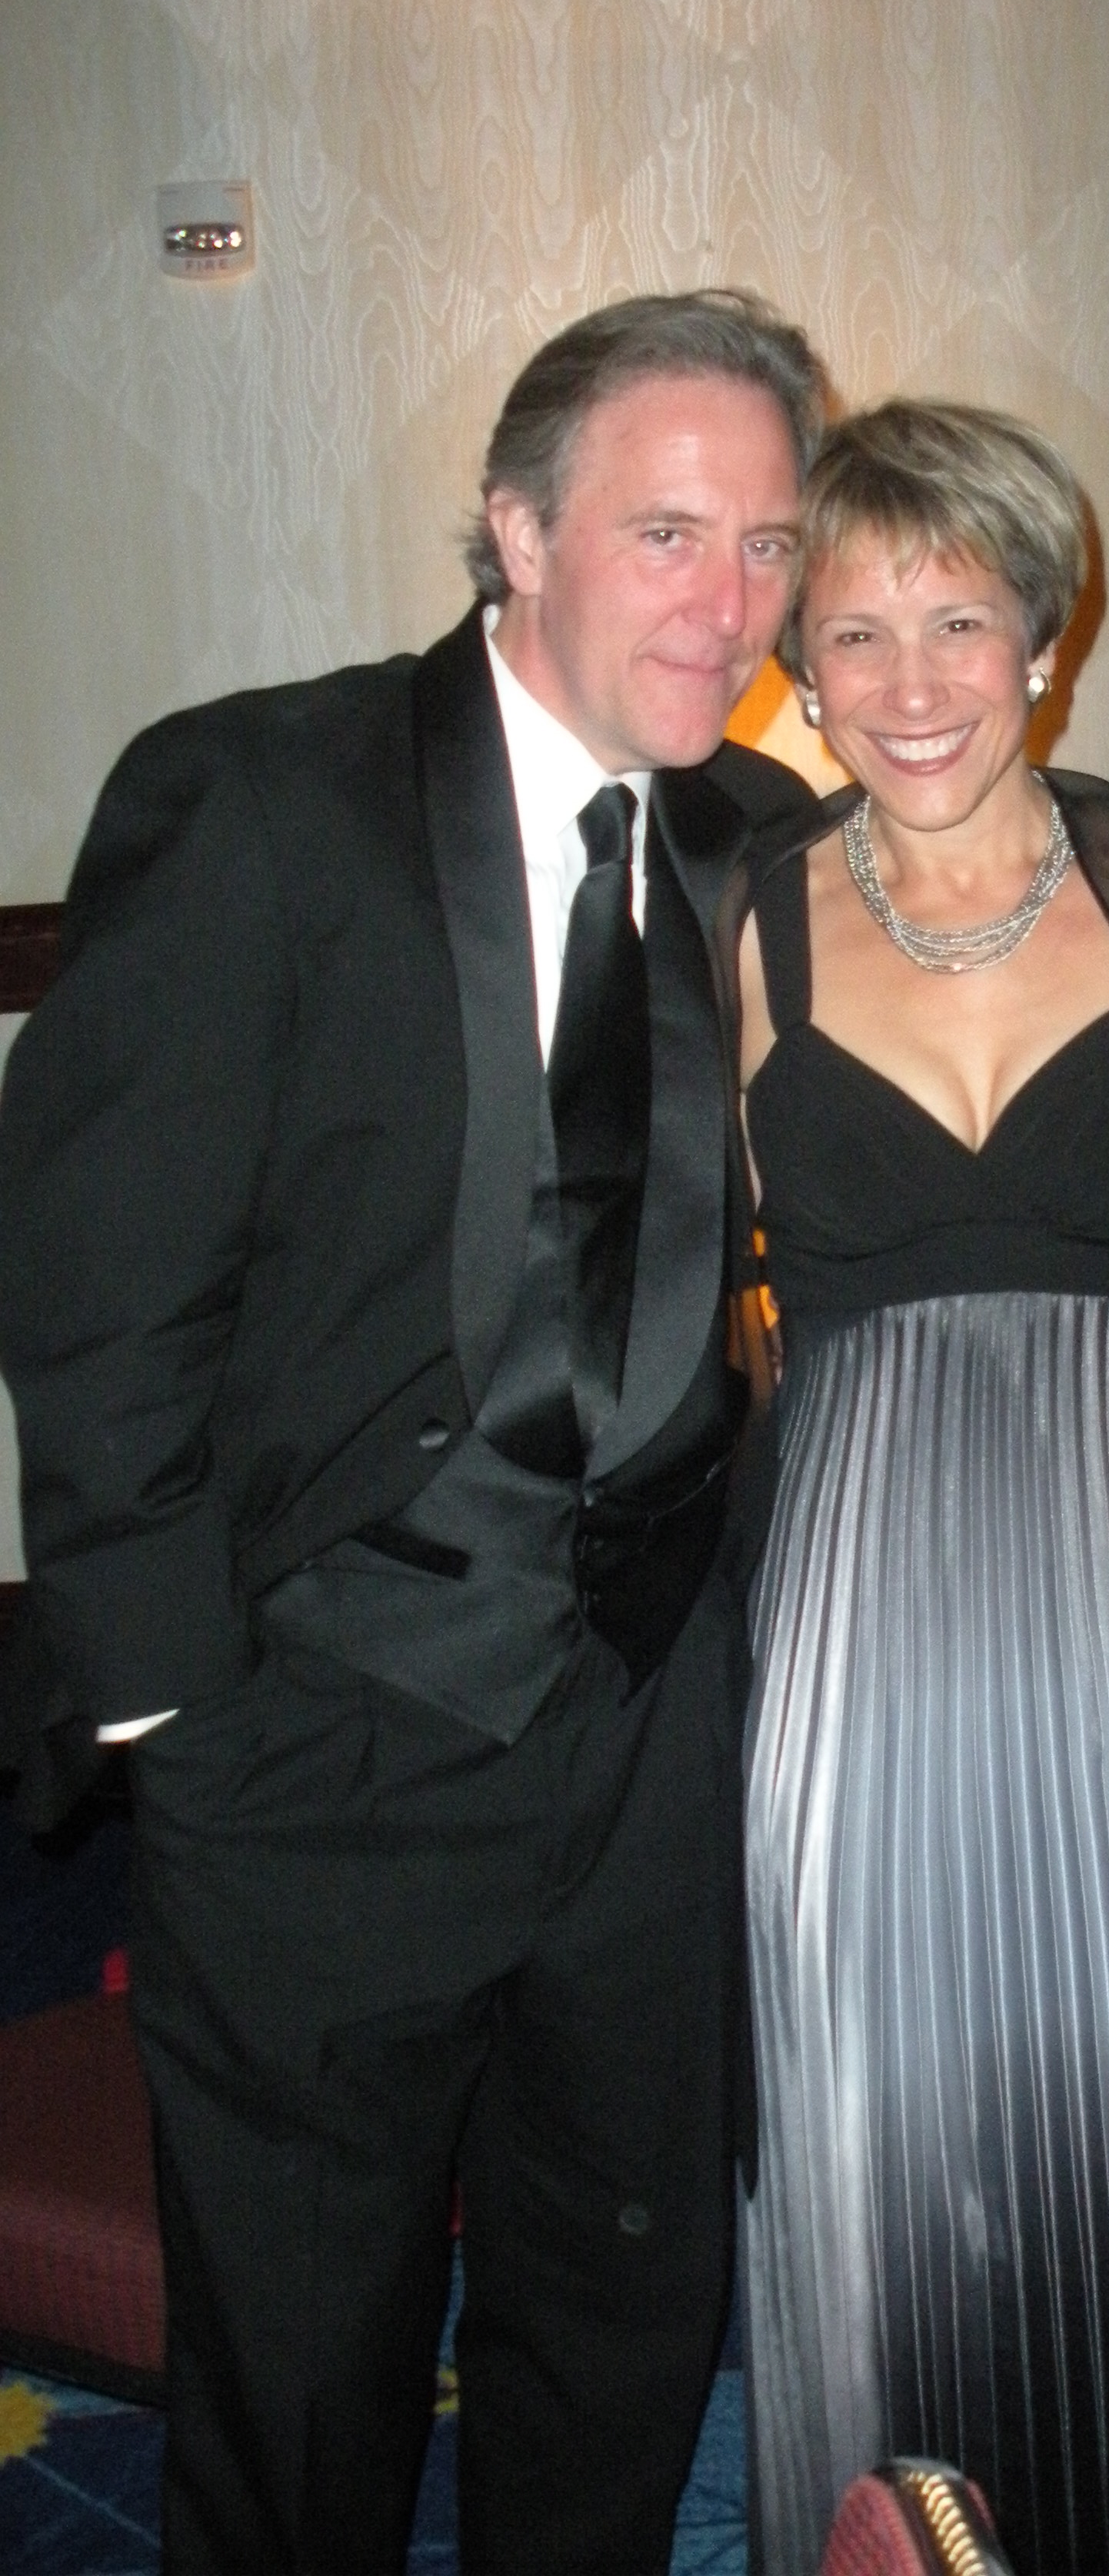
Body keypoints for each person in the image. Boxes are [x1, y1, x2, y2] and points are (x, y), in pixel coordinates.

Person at [0, 291, 822, 2576]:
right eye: (668, 532)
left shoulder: (764, 839)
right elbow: (93, 1274)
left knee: (625, 2300)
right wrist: (186, 1704)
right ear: (513, 529)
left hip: (650, 1725)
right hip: (323, 1730)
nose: (729, 604)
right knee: (303, 2362)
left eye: (765, 546)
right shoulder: (265, 793)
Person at [732, 400, 1109, 2576]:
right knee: (890, 2130)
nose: (906, 688)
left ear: (1046, 635)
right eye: (854, 634)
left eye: (958, 623)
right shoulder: (740, 920)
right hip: (861, 1630)